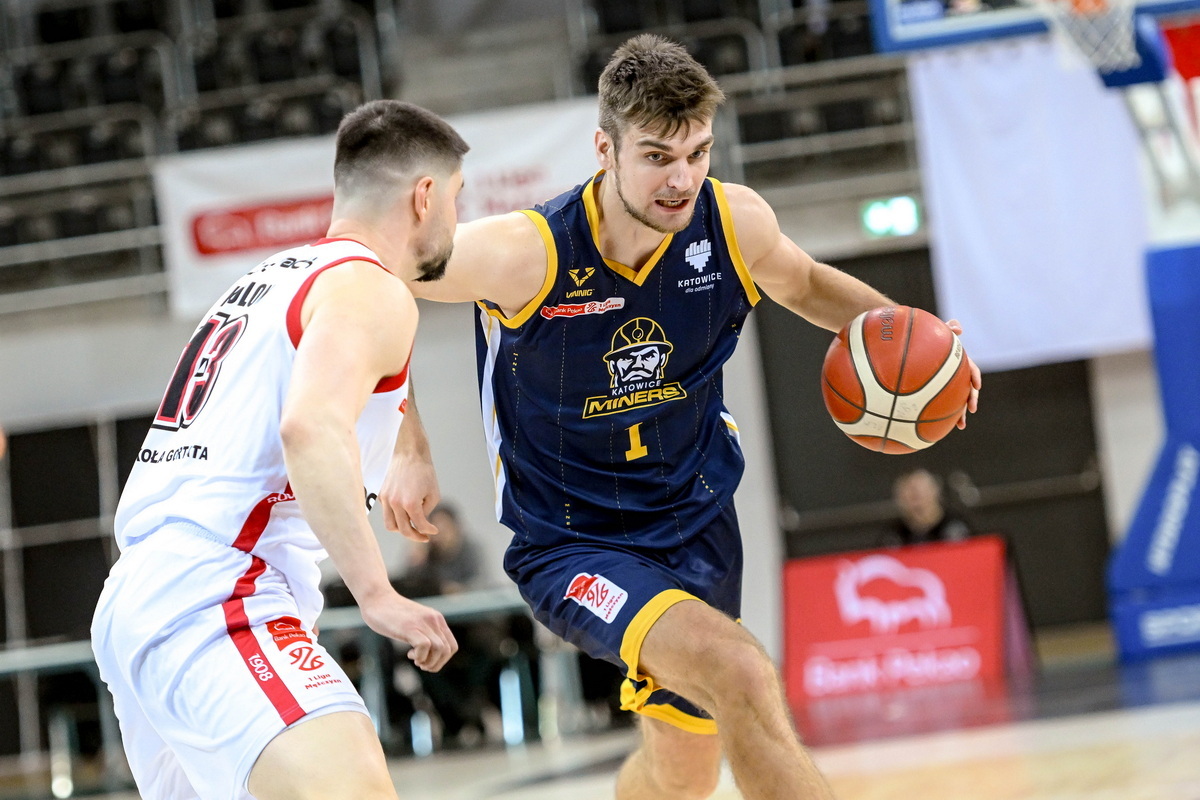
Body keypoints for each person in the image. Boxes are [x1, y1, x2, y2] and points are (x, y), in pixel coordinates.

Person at [382, 35, 981, 800]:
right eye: (657, 157)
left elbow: (804, 283)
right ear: (605, 149)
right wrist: (407, 442)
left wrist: (926, 350)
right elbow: (372, 275)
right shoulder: (526, 252)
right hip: (576, 542)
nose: (682, 178)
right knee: (740, 670)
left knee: (682, 774)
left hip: (699, 525)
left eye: (697, 153)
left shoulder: (732, 223)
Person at [90, 100, 467, 800]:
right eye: (456, 197)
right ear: (425, 197)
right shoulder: (375, 292)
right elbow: (309, 428)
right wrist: (376, 593)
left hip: (140, 594)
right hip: (221, 592)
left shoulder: (274, 278)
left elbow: (350, 365)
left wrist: (409, 444)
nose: (456, 217)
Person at [890, 468, 974, 546]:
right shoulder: (895, 536)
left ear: (935, 492)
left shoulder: (957, 527)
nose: (917, 502)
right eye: (910, 496)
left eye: (919, 494)